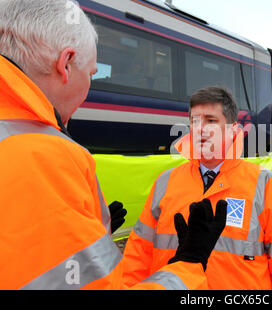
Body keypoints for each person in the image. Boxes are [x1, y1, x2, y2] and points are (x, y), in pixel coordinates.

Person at [0, 0, 226, 290]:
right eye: (94, 73)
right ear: (66, 64)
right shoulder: (43, 154)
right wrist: (190, 264)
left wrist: (90, 235)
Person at [122, 86, 272, 289]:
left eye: (211, 121)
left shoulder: (268, 187)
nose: (200, 129)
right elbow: (137, 255)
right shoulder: (165, 182)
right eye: (194, 121)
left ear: (233, 129)